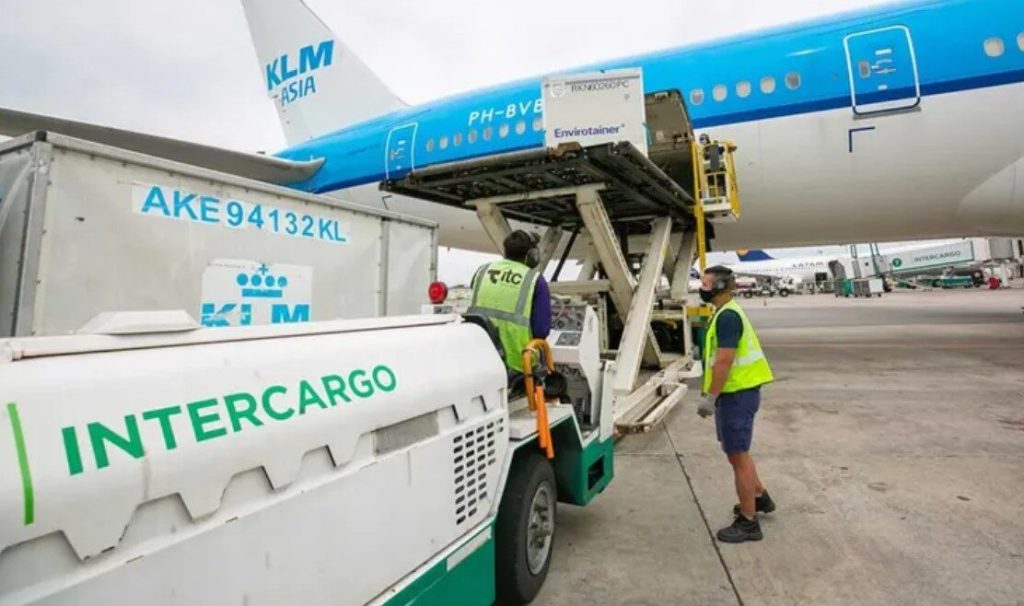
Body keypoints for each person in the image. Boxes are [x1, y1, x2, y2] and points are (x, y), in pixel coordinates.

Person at [695, 265, 775, 543]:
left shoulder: (727, 317)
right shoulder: (724, 312)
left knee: (738, 457)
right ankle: (759, 496)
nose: (701, 289)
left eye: (705, 284)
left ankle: (749, 522)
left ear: (718, 288)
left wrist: (711, 397)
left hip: (736, 394)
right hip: (739, 393)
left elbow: (725, 361)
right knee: (737, 453)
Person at [468, 230, 552, 383]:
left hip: (479, 359)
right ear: (533, 256)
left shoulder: (482, 271)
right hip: (517, 366)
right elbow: (541, 331)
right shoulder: (535, 280)